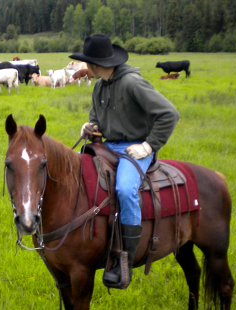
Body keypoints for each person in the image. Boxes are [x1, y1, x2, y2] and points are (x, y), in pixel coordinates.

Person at [69, 34, 180, 288]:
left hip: (135, 149)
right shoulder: (99, 86)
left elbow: (169, 114)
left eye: (88, 63)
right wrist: (90, 126)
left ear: (96, 65)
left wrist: (148, 145)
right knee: (72, 173)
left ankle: (124, 260)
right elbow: (96, 117)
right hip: (107, 146)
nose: (86, 68)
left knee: (125, 190)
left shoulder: (132, 83)